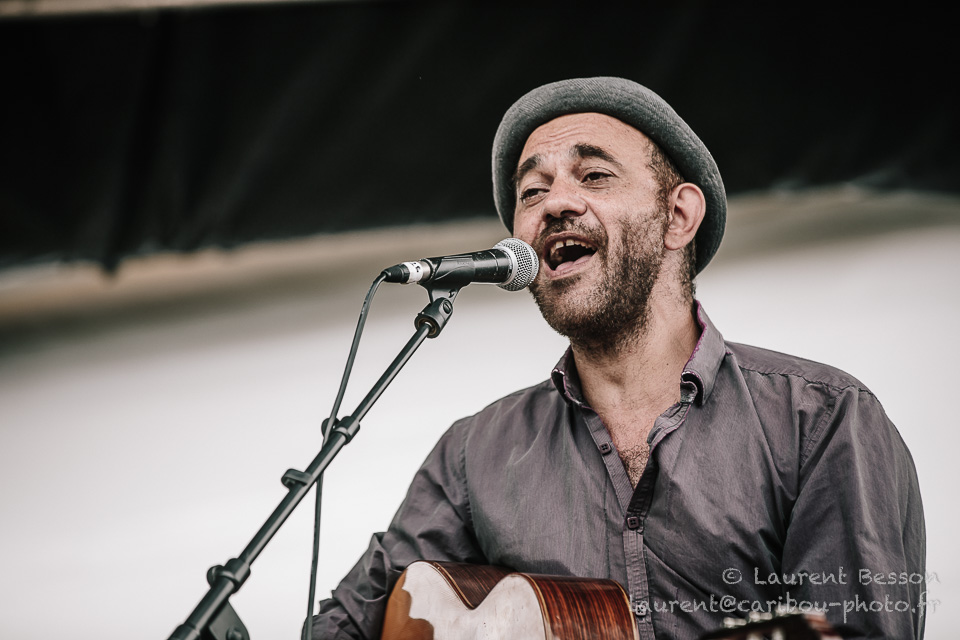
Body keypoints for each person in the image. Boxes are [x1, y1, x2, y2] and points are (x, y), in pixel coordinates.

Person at [309, 77, 926, 639]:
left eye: (595, 176)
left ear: (677, 216)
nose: (554, 204)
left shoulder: (821, 421)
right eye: (532, 191)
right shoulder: (473, 454)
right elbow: (346, 626)